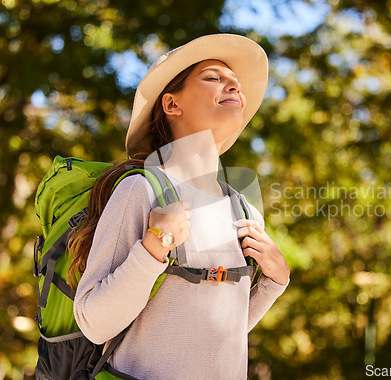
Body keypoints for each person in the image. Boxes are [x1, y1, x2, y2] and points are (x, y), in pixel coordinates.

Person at [69, 33, 290, 379]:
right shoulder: (140, 191)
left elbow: (214, 336)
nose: (234, 87)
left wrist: (274, 283)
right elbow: (94, 324)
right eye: (214, 78)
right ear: (172, 104)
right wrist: (152, 248)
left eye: (236, 84)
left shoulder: (244, 211)